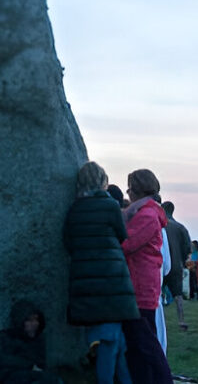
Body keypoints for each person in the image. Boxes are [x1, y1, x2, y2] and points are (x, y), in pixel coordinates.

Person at [62, 161, 137, 384]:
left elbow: (67, 242)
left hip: (85, 280)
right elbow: (122, 235)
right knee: (111, 341)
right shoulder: (110, 206)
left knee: (116, 340)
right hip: (112, 278)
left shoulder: (74, 209)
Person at [118, 169, 172, 383]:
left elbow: (127, 244)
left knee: (146, 344)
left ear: (138, 190)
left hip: (141, 288)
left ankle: (163, 380)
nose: (128, 192)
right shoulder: (145, 213)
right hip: (140, 285)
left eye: (130, 188)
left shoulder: (147, 216)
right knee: (139, 345)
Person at [0, 300, 61, 383]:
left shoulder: (38, 339)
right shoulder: (2, 338)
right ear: (20, 322)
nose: (35, 323)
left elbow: (39, 364)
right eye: (29, 320)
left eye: (36, 319)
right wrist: (27, 365)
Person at [161, 201, 191, 331]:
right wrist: (182, 261)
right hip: (176, 266)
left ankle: (160, 321)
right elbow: (187, 248)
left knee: (159, 293)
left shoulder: (159, 225)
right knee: (178, 295)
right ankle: (181, 320)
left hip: (161, 266)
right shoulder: (180, 227)